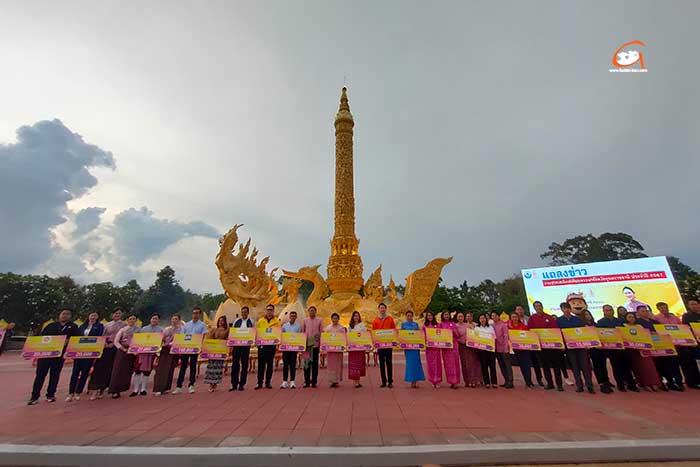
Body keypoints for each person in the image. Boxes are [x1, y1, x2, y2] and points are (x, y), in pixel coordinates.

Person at [27, 308, 79, 405]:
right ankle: (34, 396)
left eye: (68, 314)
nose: (65, 315)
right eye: (63, 314)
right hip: (45, 355)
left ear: (70, 316)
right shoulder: (51, 326)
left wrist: (69, 341)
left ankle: (50, 395)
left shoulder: (73, 327)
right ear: (59, 315)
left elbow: (77, 339)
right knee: (40, 376)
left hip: (59, 356)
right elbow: (42, 338)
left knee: (54, 375)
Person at [637, 305, 683, 391]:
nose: (645, 312)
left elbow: (662, 331)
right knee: (656, 366)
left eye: (646, 311)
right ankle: (660, 383)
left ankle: (671, 383)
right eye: (642, 311)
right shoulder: (638, 323)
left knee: (666, 364)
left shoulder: (655, 322)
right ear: (638, 313)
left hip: (661, 346)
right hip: (649, 347)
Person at [655, 302, 699, 390]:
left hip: (681, 344)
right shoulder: (656, 318)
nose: (664, 309)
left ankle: (691, 382)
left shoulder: (674, 317)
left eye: (665, 307)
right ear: (658, 309)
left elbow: (682, 328)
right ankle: (678, 383)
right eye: (662, 308)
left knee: (687, 362)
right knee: (673, 365)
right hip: (669, 344)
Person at [593, 304, 637, 393]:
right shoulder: (601, 322)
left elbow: (624, 333)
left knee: (626, 367)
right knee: (616, 367)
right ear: (604, 312)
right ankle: (620, 385)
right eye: (607, 310)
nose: (609, 311)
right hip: (611, 349)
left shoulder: (619, 321)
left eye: (610, 309)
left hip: (622, 348)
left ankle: (631, 384)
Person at [88, 308, 126, 399]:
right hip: (106, 348)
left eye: (119, 313)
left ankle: (113, 390)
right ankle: (97, 389)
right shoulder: (106, 325)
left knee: (114, 369)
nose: (117, 315)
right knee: (100, 368)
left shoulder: (124, 325)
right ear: (112, 315)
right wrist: (105, 343)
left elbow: (125, 337)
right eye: (115, 313)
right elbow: (102, 336)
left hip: (118, 348)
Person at [557, 302, 594, 394]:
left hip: (581, 346)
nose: (566, 310)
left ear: (570, 309)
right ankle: (579, 386)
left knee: (585, 366)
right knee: (575, 367)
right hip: (570, 348)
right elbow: (559, 334)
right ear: (562, 310)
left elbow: (583, 332)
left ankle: (589, 385)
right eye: (564, 308)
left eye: (567, 308)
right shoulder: (559, 320)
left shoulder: (577, 319)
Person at [67, 312, 104, 401]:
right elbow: (76, 337)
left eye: (95, 315)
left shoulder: (99, 326)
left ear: (98, 317)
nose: (93, 317)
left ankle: (78, 392)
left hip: (90, 352)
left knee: (84, 373)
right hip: (79, 352)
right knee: (75, 373)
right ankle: (70, 393)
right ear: (88, 316)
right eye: (91, 315)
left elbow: (99, 337)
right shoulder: (82, 326)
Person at [528, 301, 564, 391]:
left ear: (542, 306)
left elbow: (555, 330)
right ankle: (550, 383)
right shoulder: (532, 318)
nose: (538, 307)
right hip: (542, 347)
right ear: (534, 308)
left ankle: (559, 384)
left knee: (556, 366)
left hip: (552, 346)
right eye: (536, 306)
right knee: (545, 366)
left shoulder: (549, 317)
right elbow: (530, 331)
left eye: (539, 306)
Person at [624, 312, 662, 391]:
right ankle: (643, 383)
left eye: (633, 317)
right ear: (626, 318)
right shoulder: (624, 326)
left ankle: (653, 383)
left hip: (643, 349)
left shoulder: (639, 326)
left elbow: (645, 335)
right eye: (629, 317)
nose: (631, 318)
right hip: (632, 350)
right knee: (638, 368)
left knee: (649, 366)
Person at [174, 307, 207, 394]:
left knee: (193, 366)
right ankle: (178, 386)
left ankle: (191, 385)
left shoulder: (202, 325)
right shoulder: (187, 325)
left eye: (197, 313)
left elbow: (203, 336)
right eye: (193, 313)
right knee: (183, 367)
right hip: (186, 348)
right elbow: (182, 336)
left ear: (199, 314)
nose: (195, 315)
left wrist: (200, 347)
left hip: (195, 348)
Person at [131, 313, 163, 397]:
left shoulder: (160, 330)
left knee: (147, 371)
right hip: (141, 353)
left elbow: (161, 342)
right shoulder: (143, 329)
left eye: (156, 319)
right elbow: (137, 340)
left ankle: (143, 389)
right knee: (137, 370)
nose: (154, 320)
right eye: (153, 318)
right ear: (150, 319)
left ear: (158, 320)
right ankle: (135, 390)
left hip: (151, 354)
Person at [109, 313, 140, 399]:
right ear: (127, 320)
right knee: (118, 370)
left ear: (136, 320)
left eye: (134, 319)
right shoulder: (123, 329)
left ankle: (123, 388)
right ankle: (114, 390)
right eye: (130, 319)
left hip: (132, 352)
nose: (132, 320)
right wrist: (122, 348)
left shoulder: (138, 329)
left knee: (128, 371)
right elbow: (116, 341)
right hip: (122, 351)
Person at [153, 314, 183, 395]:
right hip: (165, 351)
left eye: (176, 319)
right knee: (161, 369)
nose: (174, 321)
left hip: (174, 351)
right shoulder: (167, 329)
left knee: (170, 370)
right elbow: (161, 338)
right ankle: (158, 388)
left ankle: (166, 388)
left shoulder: (181, 330)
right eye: (173, 319)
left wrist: (170, 344)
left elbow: (180, 340)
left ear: (179, 320)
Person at [255, 304, 280, 390]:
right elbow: (257, 333)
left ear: (273, 311)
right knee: (261, 365)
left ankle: (268, 382)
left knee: (270, 365)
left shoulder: (276, 322)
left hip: (271, 346)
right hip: (262, 346)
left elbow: (278, 334)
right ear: (266, 311)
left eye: (271, 310)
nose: (269, 311)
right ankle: (259, 382)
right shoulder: (261, 321)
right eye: (268, 310)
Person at [372, 303, 396, 388]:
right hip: (380, 345)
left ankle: (390, 381)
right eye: (381, 308)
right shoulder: (376, 320)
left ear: (386, 309)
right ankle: (383, 381)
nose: (382, 309)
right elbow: (374, 332)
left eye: (383, 308)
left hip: (388, 344)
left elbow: (393, 330)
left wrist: (394, 340)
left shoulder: (390, 319)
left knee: (389, 363)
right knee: (381, 363)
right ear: (378, 309)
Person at [230, 307, 254, 391]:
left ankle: (242, 383)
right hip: (237, 346)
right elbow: (232, 332)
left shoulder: (251, 321)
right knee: (235, 364)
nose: (244, 313)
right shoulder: (237, 321)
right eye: (242, 312)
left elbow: (253, 332)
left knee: (244, 364)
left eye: (245, 312)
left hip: (245, 346)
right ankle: (234, 383)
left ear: (248, 313)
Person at [509, 312, 534, 388]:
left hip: (524, 349)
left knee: (526, 365)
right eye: (513, 317)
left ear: (518, 318)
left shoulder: (524, 326)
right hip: (514, 349)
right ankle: (524, 381)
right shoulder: (509, 327)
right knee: (518, 366)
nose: (514, 318)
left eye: (516, 317)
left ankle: (528, 381)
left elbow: (529, 336)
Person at [204, 316, 229, 392]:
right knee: (211, 367)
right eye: (220, 320)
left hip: (220, 351)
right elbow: (208, 338)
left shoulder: (227, 330)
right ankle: (210, 384)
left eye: (222, 321)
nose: (221, 322)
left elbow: (229, 339)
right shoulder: (214, 330)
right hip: (213, 350)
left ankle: (215, 384)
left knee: (218, 368)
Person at [490, 310, 514, 388]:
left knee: (507, 365)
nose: (494, 317)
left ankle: (510, 381)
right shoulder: (491, 326)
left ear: (498, 316)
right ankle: (506, 380)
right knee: (501, 365)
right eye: (492, 316)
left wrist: (506, 347)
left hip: (504, 348)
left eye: (495, 315)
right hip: (496, 348)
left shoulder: (503, 325)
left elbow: (506, 336)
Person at [401, 310, 425, 388]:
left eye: (411, 315)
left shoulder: (416, 324)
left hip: (415, 347)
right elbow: (402, 335)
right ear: (406, 316)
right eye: (408, 315)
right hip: (408, 348)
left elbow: (419, 335)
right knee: (410, 364)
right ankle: (412, 380)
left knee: (417, 363)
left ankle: (417, 380)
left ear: (413, 316)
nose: (409, 317)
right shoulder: (403, 325)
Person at [302, 305, 323, 388]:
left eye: (313, 311)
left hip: (315, 345)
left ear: (315, 312)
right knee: (307, 364)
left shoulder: (319, 320)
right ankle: (306, 381)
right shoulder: (305, 320)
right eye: (310, 311)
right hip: (307, 345)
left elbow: (321, 332)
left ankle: (314, 381)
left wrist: (320, 344)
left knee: (314, 364)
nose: (312, 312)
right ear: (308, 312)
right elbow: (303, 332)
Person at [439, 310, 461, 389]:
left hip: (454, 346)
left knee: (455, 364)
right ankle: (451, 381)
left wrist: (453, 330)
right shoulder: (440, 325)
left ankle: (455, 382)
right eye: (445, 315)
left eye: (447, 314)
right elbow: (438, 336)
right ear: (442, 316)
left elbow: (458, 335)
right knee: (448, 365)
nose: (446, 316)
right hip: (446, 348)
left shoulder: (453, 324)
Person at [475, 314, 497, 388]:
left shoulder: (490, 327)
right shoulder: (477, 328)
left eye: (483, 318)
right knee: (484, 366)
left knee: (492, 366)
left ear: (486, 319)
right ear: (479, 320)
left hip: (490, 349)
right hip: (482, 349)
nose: (482, 320)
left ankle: (494, 382)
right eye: (480, 318)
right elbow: (475, 338)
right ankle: (487, 382)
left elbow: (494, 336)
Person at [281, 311, 301, 389]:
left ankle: (292, 381)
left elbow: (299, 336)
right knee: (285, 364)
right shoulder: (285, 326)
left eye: (294, 316)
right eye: (291, 316)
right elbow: (282, 335)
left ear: (296, 317)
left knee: (293, 364)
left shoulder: (298, 326)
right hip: (286, 348)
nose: (292, 317)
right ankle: (284, 381)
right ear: (289, 317)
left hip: (294, 348)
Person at [325, 313, 346, 387]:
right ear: (331, 319)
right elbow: (325, 338)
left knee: (337, 365)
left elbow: (344, 338)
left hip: (338, 350)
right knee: (331, 365)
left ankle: (336, 380)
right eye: (333, 318)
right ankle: (332, 380)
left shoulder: (341, 328)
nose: (335, 320)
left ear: (338, 319)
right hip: (330, 351)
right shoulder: (328, 328)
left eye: (336, 318)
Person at [347, 310, 367, 388]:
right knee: (353, 365)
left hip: (360, 348)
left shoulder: (362, 325)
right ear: (353, 317)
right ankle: (354, 381)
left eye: (357, 316)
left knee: (359, 364)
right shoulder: (350, 326)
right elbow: (348, 336)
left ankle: (358, 381)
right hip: (352, 349)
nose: (356, 317)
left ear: (359, 317)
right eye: (355, 316)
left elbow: (365, 335)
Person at [423, 311, 442, 387]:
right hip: (429, 348)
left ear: (433, 316)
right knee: (430, 364)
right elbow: (422, 335)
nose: (429, 317)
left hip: (436, 348)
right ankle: (432, 380)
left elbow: (441, 335)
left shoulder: (438, 325)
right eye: (428, 316)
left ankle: (437, 380)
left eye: (431, 315)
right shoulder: (425, 325)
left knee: (437, 364)